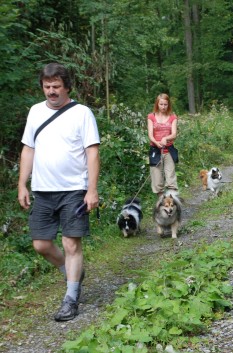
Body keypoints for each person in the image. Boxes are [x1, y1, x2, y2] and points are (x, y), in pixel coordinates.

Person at [17, 63, 100, 321]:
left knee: (70, 242)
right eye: (47, 87)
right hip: (43, 190)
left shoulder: (82, 113)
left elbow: (92, 152)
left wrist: (92, 190)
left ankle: (71, 298)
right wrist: (22, 183)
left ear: (67, 87)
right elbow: (28, 149)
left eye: (56, 86)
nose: (51, 91)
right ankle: (70, 271)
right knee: (41, 243)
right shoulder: (34, 112)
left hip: (74, 189)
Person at [147, 93, 178, 198]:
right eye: (161, 104)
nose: (163, 107)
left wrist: (166, 138)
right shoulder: (151, 116)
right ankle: (162, 204)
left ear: (168, 104)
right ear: (157, 104)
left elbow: (174, 134)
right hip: (155, 151)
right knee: (157, 181)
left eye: (165, 104)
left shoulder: (173, 117)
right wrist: (157, 142)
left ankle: (172, 203)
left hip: (168, 150)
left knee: (171, 178)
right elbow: (150, 135)